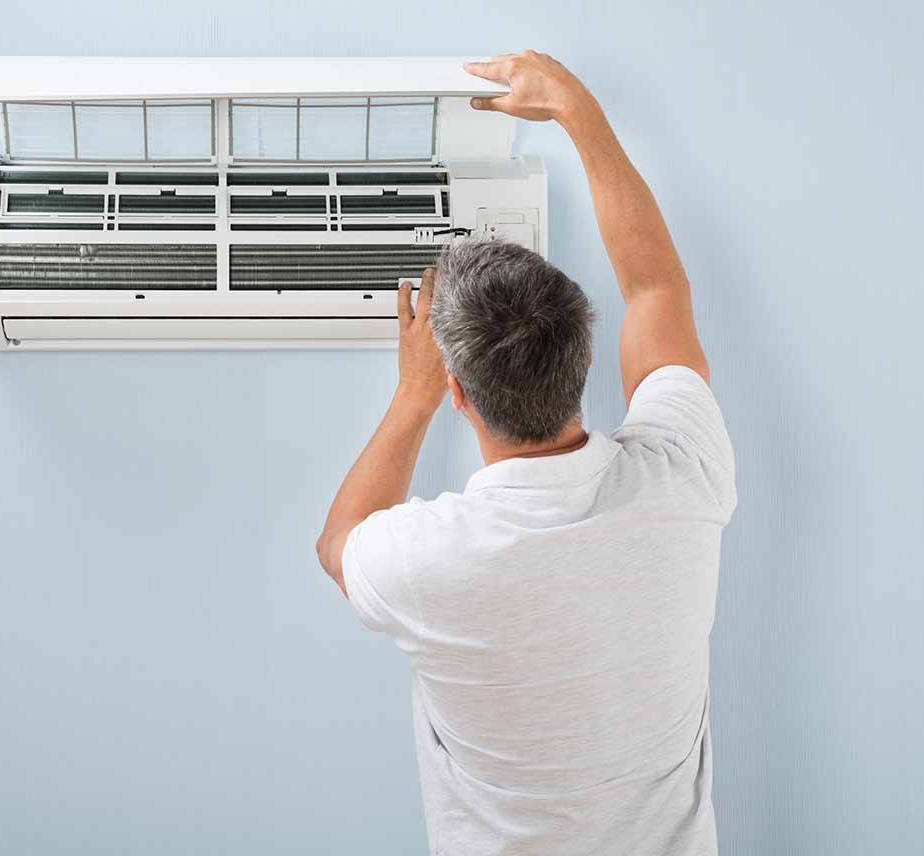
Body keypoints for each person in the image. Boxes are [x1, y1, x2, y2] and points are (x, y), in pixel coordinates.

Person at [315, 52, 737, 855]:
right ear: (585, 358)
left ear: (460, 391)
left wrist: (412, 396)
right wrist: (579, 110)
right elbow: (656, 289)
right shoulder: (685, 476)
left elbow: (339, 543)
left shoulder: (427, 562)